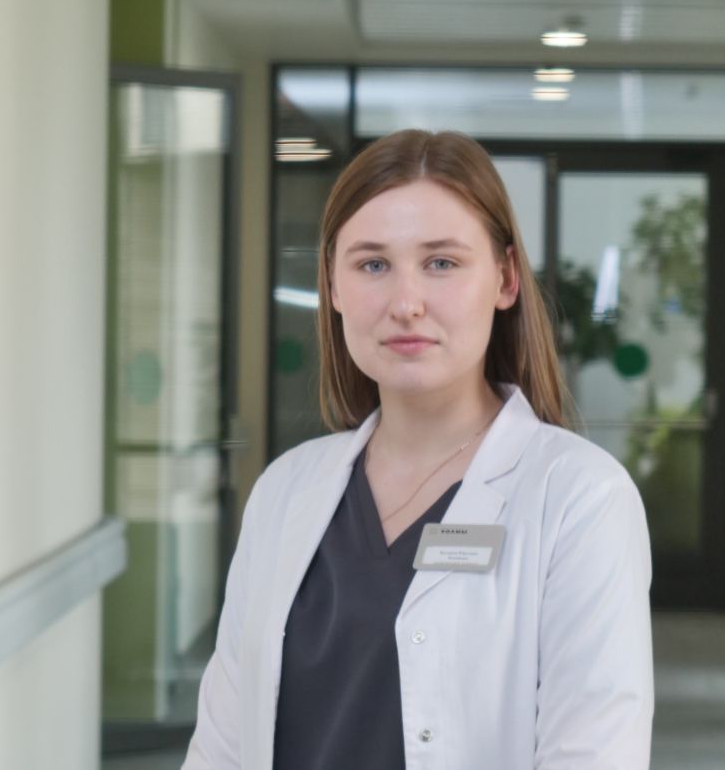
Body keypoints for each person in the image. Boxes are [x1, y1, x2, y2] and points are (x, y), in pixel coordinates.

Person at [182, 129, 653, 769]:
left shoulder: (580, 498)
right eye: (373, 265)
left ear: (506, 279)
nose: (406, 304)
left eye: (442, 264)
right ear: (333, 286)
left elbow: (593, 754)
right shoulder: (285, 490)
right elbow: (221, 746)